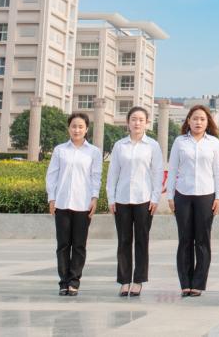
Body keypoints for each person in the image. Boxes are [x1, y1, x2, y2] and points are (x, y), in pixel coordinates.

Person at [167, 104, 219, 298]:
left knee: (202, 241)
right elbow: (172, 170)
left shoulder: (213, 143)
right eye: (195, 118)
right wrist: (170, 196)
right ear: (188, 121)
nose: (198, 122)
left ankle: (198, 283)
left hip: (206, 196)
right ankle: (185, 283)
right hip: (183, 195)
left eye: (202, 119)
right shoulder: (180, 142)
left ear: (208, 122)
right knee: (184, 240)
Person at [106, 106, 164, 297]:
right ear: (128, 122)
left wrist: (155, 197)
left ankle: (138, 280)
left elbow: (157, 173)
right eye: (133, 119)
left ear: (147, 123)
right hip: (122, 199)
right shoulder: (119, 146)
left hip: (144, 199)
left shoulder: (152, 146)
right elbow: (113, 173)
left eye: (141, 120)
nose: (137, 123)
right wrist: (111, 198)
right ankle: (124, 281)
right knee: (123, 241)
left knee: (141, 240)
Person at [45, 112, 102, 296]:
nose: (77, 130)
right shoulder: (60, 150)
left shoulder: (93, 152)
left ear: (86, 129)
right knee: (63, 245)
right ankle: (63, 282)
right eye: (73, 126)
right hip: (62, 203)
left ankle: (74, 281)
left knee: (79, 245)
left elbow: (96, 177)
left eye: (80, 127)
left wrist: (94, 198)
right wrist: (52, 198)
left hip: (83, 204)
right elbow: (52, 175)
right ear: (68, 128)